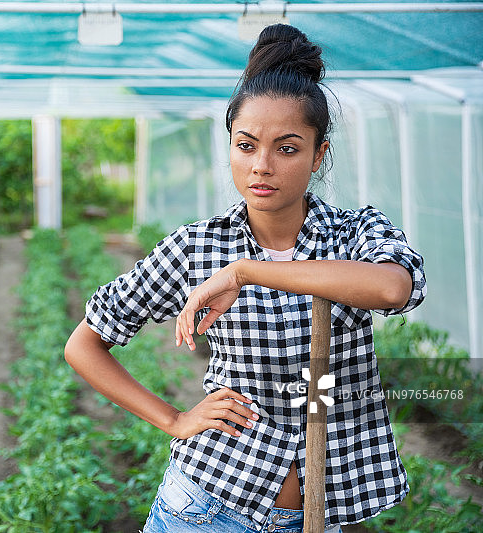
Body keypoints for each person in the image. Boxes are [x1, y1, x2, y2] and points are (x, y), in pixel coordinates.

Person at [64, 23, 426, 533]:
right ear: (230, 145)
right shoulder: (197, 247)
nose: (261, 166)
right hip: (207, 507)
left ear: (318, 154)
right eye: (246, 144)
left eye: (287, 148)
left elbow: (394, 287)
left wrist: (247, 271)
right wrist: (174, 420)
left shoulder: (353, 234)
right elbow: (84, 343)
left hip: (319, 514)